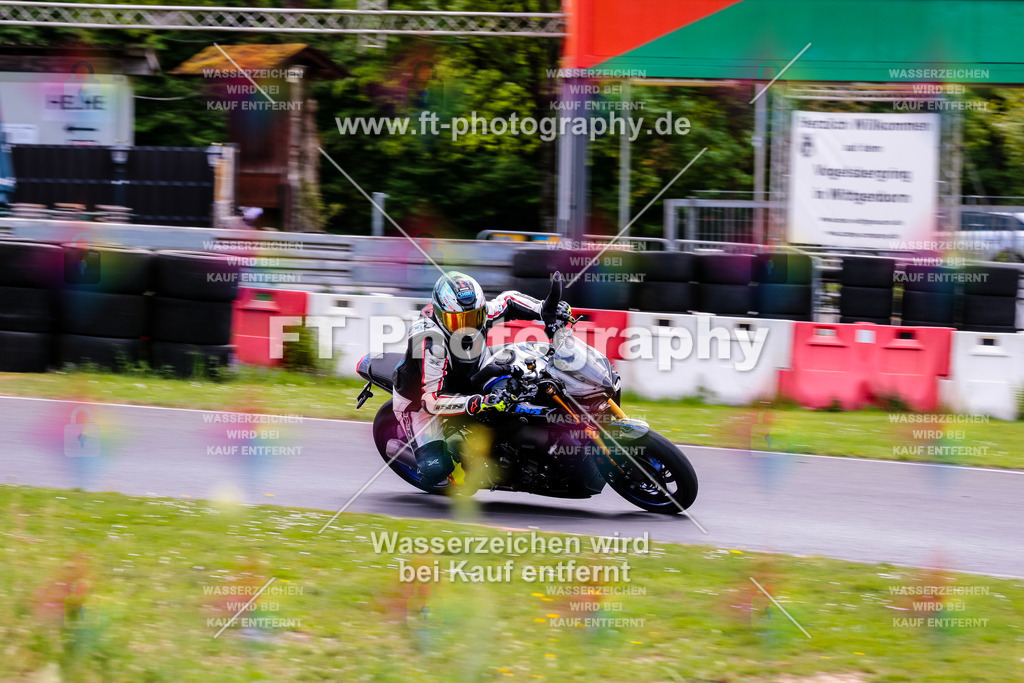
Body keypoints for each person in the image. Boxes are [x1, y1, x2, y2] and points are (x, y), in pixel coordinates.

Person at [392, 271, 571, 486]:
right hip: (420, 402)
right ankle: (455, 462)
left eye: (474, 317)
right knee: (435, 470)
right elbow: (431, 402)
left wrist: (543, 308)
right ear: (441, 316)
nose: (468, 326)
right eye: (459, 320)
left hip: (469, 373)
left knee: (524, 382)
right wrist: (477, 402)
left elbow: (508, 301)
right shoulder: (431, 343)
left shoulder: (479, 312)